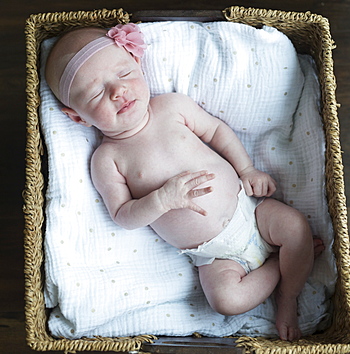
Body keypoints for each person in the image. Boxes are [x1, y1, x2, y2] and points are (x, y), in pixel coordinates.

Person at [46, 23, 324, 341]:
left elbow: (216, 131)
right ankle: (277, 267)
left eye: (123, 74)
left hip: (251, 213)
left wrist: (247, 170)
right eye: (96, 93)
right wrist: (161, 200)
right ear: (78, 117)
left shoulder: (171, 107)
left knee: (296, 228)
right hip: (214, 255)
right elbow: (123, 215)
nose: (117, 91)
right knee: (225, 302)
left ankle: (288, 297)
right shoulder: (107, 159)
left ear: (138, 64)